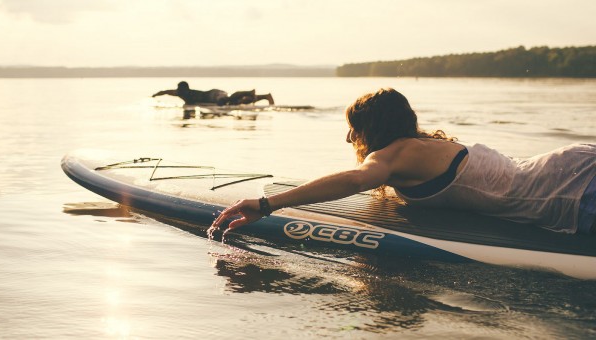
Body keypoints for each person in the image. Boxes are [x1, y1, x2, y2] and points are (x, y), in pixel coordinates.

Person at [211, 88, 596, 235]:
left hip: (572, 190)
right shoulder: (420, 145)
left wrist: (267, 204)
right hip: (570, 170)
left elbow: (352, 182)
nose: (349, 138)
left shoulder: (390, 155)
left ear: (371, 126)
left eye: (353, 127)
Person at [152, 81, 274, 106]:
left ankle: (249, 92)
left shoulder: (185, 93)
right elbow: (165, 92)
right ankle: (264, 96)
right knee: (236, 102)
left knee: (225, 101)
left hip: (214, 94)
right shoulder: (181, 93)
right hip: (214, 94)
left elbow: (167, 92)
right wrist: (154, 95)